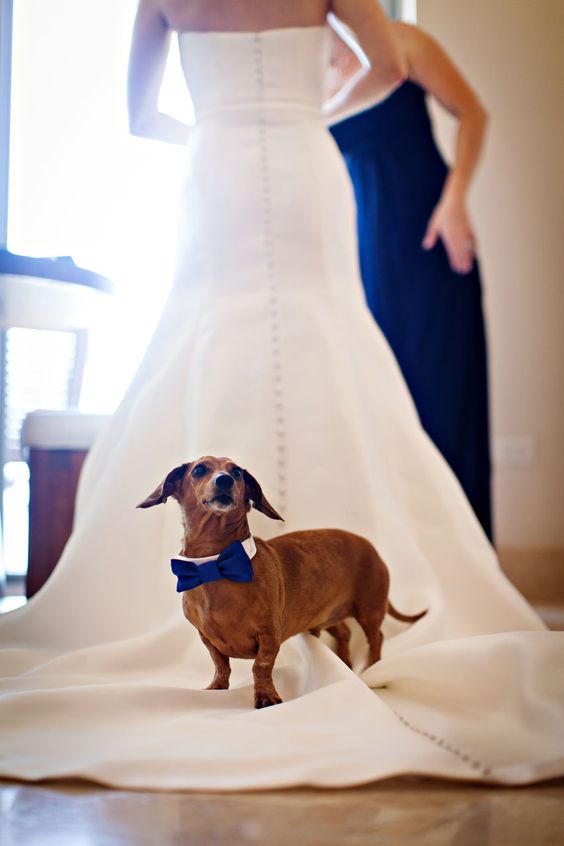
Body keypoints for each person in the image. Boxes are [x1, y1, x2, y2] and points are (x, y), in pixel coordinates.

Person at [0, 0, 562, 791]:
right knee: (326, 319)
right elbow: (387, 66)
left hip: (215, 162)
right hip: (304, 158)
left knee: (210, 319)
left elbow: (139, 117)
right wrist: (300, 115)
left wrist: (218, 129)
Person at [328, 21, 493, 539]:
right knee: (383, 413)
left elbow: (472, 112)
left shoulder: (403, 42)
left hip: (431, 244)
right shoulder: (303, 75)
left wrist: (455, 200)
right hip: (363, 259)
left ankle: (464, 561)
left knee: (445, 401)